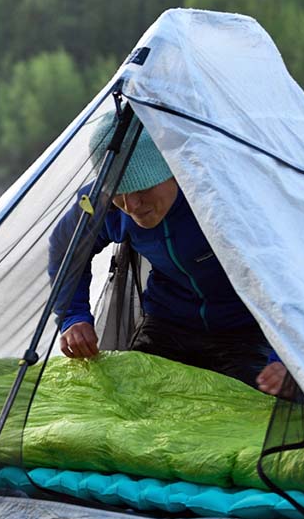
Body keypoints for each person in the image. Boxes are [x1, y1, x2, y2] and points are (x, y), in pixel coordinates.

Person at [48, 114, 289, 396]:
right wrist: (73, 317)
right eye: (118, 192)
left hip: (244, 330)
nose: (132, 205)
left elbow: (291, 275)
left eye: (142, 189)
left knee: (252, 408)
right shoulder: (103, 205)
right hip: (167, 324)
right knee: (123, 398)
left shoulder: (223, 200)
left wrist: (287, 357)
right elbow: (66, 247)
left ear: (172, 171)